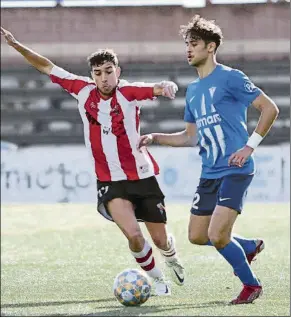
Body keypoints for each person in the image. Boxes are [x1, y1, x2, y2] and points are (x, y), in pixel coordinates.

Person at [1, 26, 185, 296]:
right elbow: (47, 66)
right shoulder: (82, 90)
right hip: (110, 180)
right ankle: (157, 280)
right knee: (134, 236)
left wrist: (167, 86)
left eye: (109, 71)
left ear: (117, 72)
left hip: (142, 175)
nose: (104, 78)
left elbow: (155, 88)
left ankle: (171, 256)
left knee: (160, 239)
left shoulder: (129, 92)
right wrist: (16, 45)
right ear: (92, 76)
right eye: (98, 73)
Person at [138, 15, 279, 304]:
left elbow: (270, 109)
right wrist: (156, 138)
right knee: (197, 236)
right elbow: (191, 137)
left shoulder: (231, 77)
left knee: (218, 234)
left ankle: (251, 286)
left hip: (236, 169)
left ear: (211, 47)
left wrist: (249, 147)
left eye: (195, 44)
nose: (188, 49)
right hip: (209, 172)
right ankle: (248, 246)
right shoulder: (193, 91)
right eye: (186, 44)